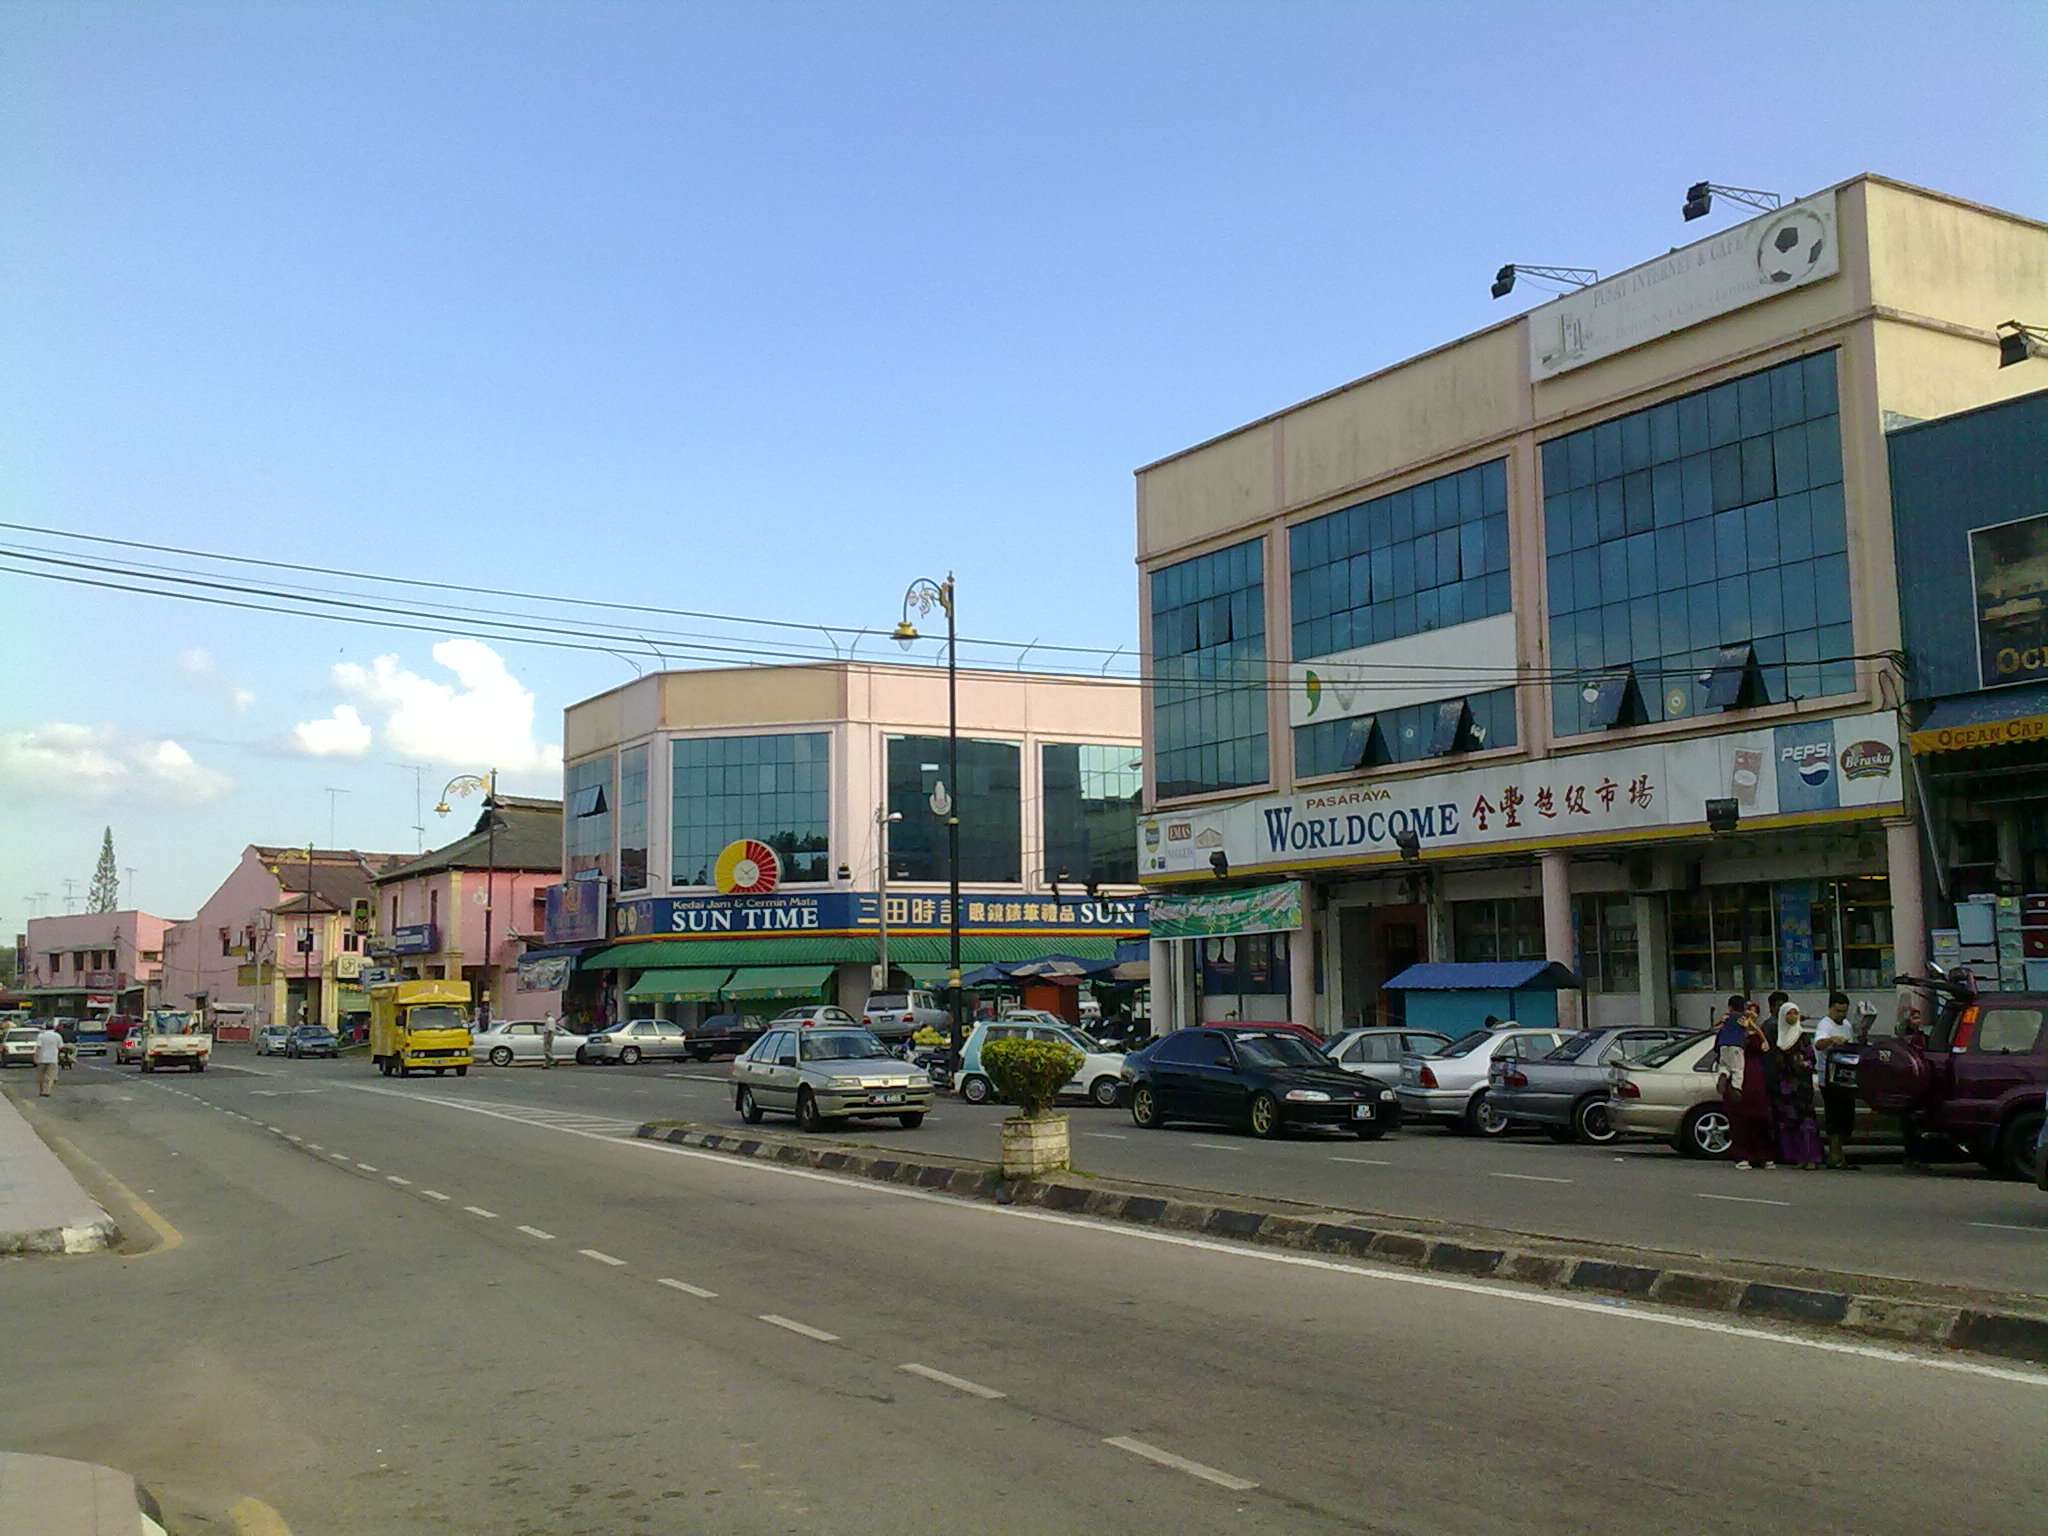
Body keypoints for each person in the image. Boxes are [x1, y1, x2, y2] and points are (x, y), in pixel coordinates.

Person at [1716, 995, 1774, 1168]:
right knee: (1740, 1121)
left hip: (1756, 1082)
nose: (1751, 1015)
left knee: (1761, 1120)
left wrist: (1753, 1031)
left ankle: (1764, 1156)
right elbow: (1718, 1046)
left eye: (1755, 1012)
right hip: (1738, 1083)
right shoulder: (1731, 1029)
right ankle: (1742, 1157)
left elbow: (1765, 1048)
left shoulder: (1756, 1032)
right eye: (1749, 1011)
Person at [1768, 1002, 1824, 1170]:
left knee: (1807, 1123)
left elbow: (1811, 1059)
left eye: (1795, 1013)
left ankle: (1812, 1158)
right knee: (1789, 1122)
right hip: (1785, 1088)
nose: (1792, 1017)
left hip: (1802, 1087)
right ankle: (1798, 1156)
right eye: (1789, 1014)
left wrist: (1804, 1064)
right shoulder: (1777, 1036)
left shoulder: (1802, 1036)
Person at [1813, 991, 1862, 1169]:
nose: (1841, 1015)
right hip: (1829, 1079)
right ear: (1831, 1009)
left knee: (1846, 1118)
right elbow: (1819, 1043)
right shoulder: (1825, 1025)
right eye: (1838, 1011)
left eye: (1844, 1011)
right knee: (1834, 1118)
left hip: (1846, 1078)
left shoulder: (1847, 1024)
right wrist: (1832, 1039)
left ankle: (1840, 1154)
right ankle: (1835, 1156)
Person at [33, 1021, 64, 1097]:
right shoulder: (57, 1036)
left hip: (42, 1058)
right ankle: (48, 1090)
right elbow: (61, 1047)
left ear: (45, 1027)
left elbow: (38, 1047)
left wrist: (35, 1056)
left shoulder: (41, 1036)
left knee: (41, 1076)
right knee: (51, 1076)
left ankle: (42, 1090)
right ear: (53, 1027)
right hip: (53, 1058)